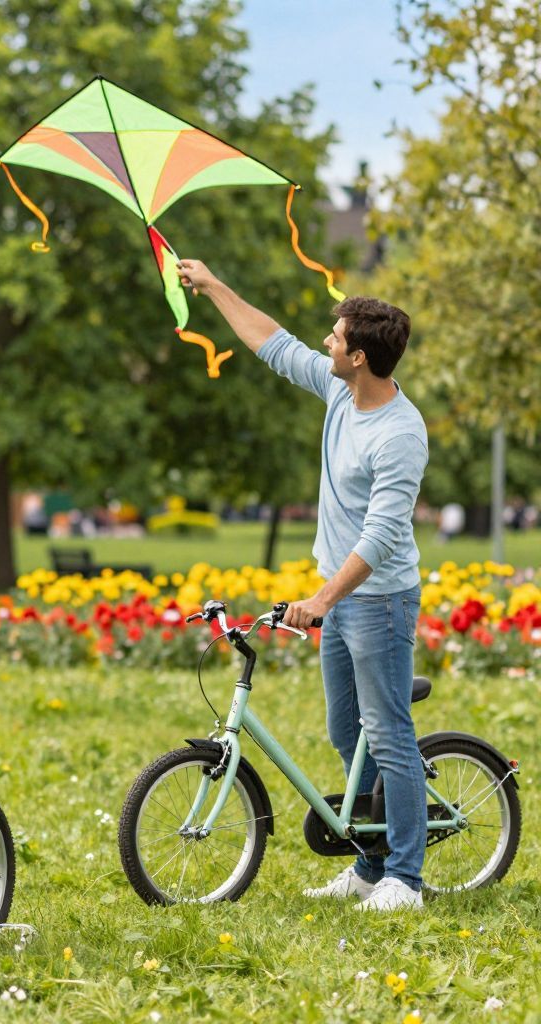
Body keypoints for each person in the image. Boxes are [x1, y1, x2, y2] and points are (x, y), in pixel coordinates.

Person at [178, 258, 428, 912]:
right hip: (341, 598)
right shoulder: (341, 392)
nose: (327, 342)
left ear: (362, 356)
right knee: (349, 733)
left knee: (389, 731)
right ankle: (370, 866)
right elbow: (274, 343)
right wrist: (212, 285)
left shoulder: (399, 433)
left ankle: (405, 878)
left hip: (378, 601)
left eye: (337, 337)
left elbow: (380, 536)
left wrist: (322, 599)